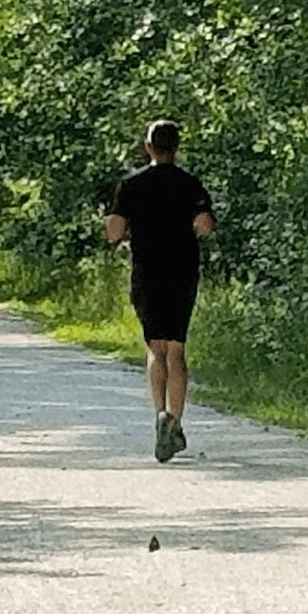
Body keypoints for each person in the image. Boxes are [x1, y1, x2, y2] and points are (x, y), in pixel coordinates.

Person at [105, 119, 216, 462]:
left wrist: (120, 227)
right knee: (177, 348)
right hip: (182, 272)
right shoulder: (190, 184)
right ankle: (177, 422)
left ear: (148, 147)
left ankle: (160, 414)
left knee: (156, 347)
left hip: (147, 272)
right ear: (177, 147)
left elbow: (113, 232)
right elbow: (205, 225)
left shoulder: (131, 186)